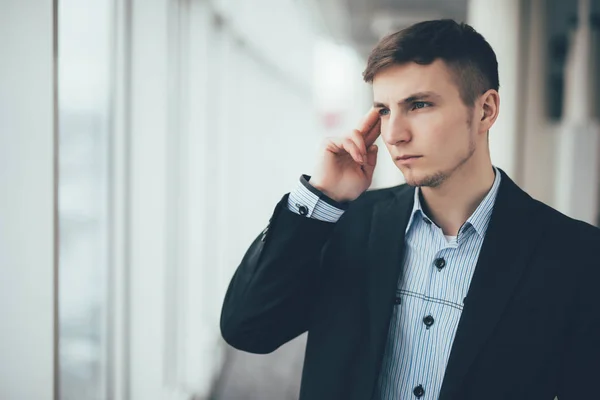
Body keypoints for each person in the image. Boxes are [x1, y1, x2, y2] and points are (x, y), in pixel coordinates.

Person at [219, 19, 600, 400]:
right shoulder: (347, 222)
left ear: (485, 110)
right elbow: (248, 328)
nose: (394, 134)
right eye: (384, 111)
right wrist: (321, 195)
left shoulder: (575, 254)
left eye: (418, 105)